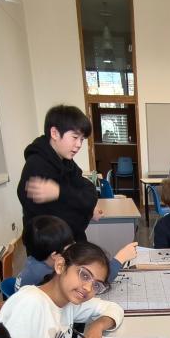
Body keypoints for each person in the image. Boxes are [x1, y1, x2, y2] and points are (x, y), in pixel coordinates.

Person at [17, 104, 103, 243]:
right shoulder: (36, 167)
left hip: (71, 242)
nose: (79, 144)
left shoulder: (66, 161)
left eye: (82, 139)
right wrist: (86, 209)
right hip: (50, 249)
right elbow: (69, 220)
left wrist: (60, 192)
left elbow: (90, 191)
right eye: (75, 137)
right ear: (55, 133)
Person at [16, 215, 136, 290]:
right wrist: (120, 258)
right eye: (70, 245)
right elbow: (97, 281)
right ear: (55, 256)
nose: (74, 245)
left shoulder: (36, 260)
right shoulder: (48, 276)